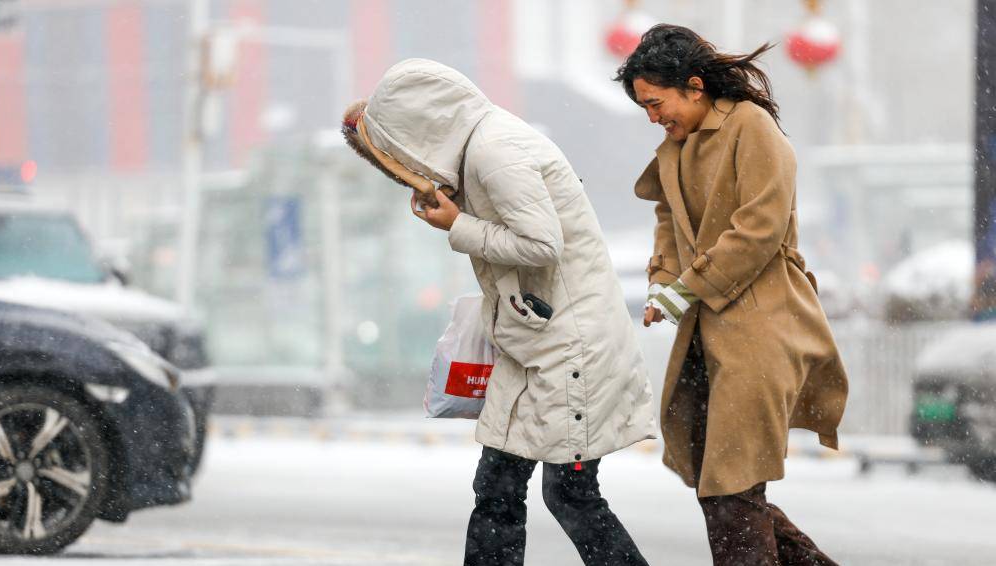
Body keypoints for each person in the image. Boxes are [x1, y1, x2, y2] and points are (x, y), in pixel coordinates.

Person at [342, 58, 657, 566]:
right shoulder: (483, 144)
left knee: (568, 494)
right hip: (535, 345)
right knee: (498, 488)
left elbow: (541, 245)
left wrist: (458, 225)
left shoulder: (496, 152)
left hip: (570, 349)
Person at [614, 25, 849, 565]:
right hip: (705, 331)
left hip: (761, 324)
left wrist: (687, 288)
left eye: (656, 103)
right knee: (716, 478)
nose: (653, 117)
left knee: (730, 484)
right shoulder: (674, 148)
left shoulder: (751, 126)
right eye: (643, 108)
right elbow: (669, 221)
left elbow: (760, 228)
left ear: (694, 86)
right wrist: (661, 283)